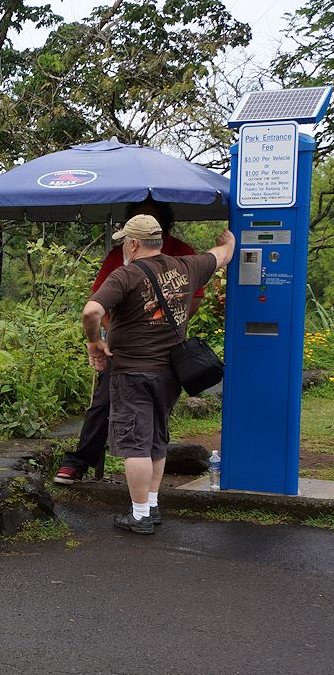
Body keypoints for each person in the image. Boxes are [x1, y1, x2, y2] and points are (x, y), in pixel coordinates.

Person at [82, 214, 234, 534]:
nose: (125, 247)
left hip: (132, 373)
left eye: (125, 242)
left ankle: (139, 516)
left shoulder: (126, 275)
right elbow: (221, 256)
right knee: (155, 439)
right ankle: (150, 505)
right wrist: (229, 241)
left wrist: (94, 342)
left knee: (136, 444)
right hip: (170, 374)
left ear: (134, 244)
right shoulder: (186, 267)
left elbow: (92, 311)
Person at [55, 199, 202, 486]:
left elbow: (195, 300)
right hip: (123, 350)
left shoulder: (181, 252)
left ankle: (144, 498)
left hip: (165, 350)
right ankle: (80, 462)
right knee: (103, 402)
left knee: (155, 414)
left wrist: (166, 326)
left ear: (163, 223)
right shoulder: (118, 255)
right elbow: (98, 302)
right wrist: (113, 334)